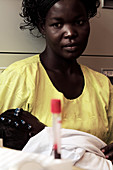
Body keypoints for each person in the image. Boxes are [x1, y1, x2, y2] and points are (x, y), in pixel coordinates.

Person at [0, 0, 113, 164]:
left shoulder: (102, 85)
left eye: (79, 22)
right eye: (57, 24)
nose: (70, 33)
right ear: (42, 27)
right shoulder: (20, 77)